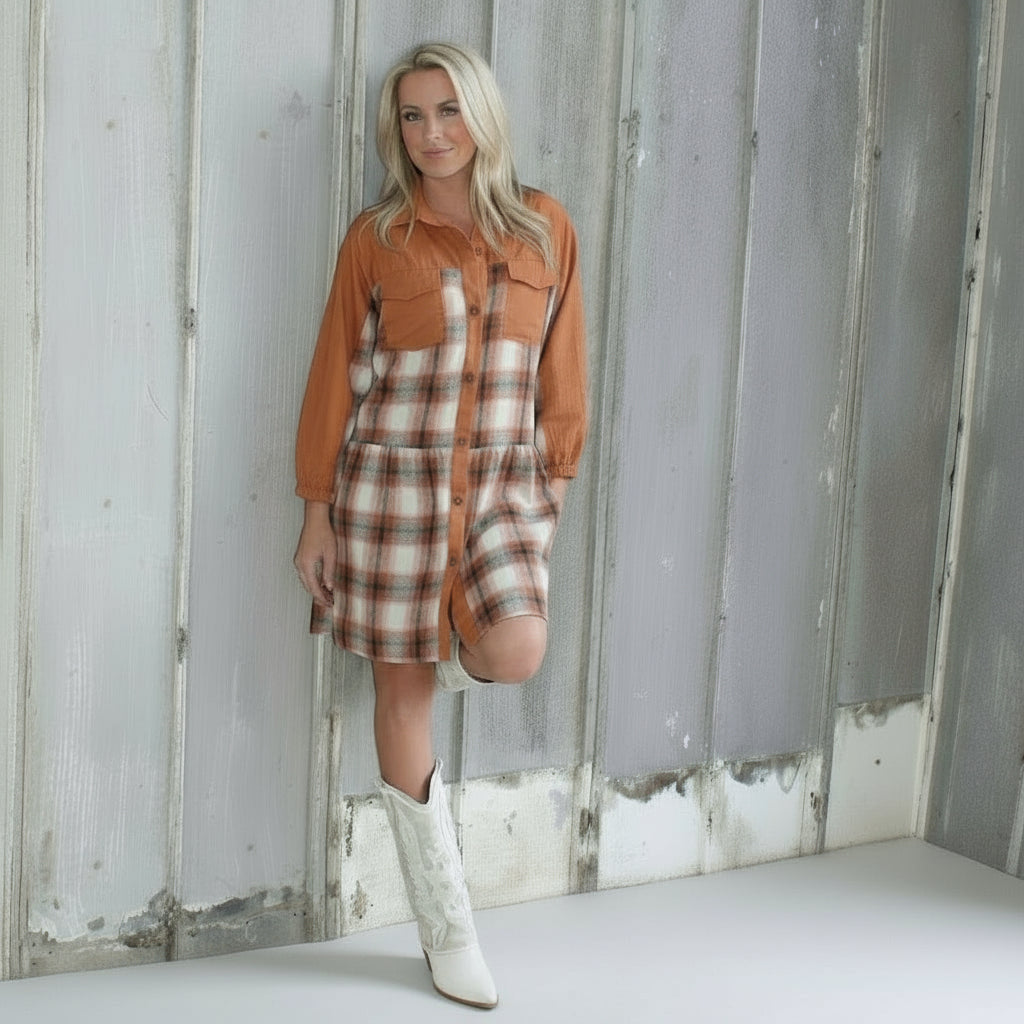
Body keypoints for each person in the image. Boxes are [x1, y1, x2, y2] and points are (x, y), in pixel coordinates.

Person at [293, 41, 587, 1009]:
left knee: (515, 647)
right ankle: (446, 928)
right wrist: (316, 515)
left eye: (449, 110)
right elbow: (334, 375)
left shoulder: (546, 227)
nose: (431, 134)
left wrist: (551, 489)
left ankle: (443, 635)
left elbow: (562, 369)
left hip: (501, 491)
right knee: (403, 695)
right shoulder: (377, 238)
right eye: (413, 116)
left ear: (482, 116)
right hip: (391, 494)